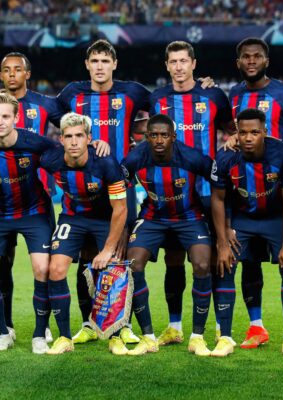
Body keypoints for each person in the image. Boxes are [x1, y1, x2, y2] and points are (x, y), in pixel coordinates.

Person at [57, 39, 149, 345]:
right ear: (87, 65)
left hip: (122, 189)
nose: (99, 66)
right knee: (86, 258)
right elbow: (53, 118)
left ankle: (123, 325)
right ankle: (88, 323)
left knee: (122, 258)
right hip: (85, 191)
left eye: (105, 61)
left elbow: (165, 105)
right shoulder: (72, 94)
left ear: (114, 64)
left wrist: (137, 132)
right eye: (94, 61)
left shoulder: (132, 92)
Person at [227, 37, 283, 351]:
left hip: (282, 194)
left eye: (257, 56)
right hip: (246, 196)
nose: (251, 61)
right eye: (245, 57)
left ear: (267, 60)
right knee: (249, 262)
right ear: (238, 62)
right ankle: (257, 327)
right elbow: (231, 131)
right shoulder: (234, 94)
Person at [0, 52, 62, 342]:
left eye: (17, 69)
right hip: (1, 201)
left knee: (44, 266)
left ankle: (44, 325)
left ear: (27, 74)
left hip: (38, 197)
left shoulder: (46, 104)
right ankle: (5, 325)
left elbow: (69, 130)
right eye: (6, 70)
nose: (12, 74)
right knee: (1, 266)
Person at [149, 40, 235, 345]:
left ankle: (221, 326)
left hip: (208, 192)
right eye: (173, 62)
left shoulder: (213, 95)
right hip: (171, 193)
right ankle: (175, 326)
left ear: (194, 64)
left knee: (213, 259)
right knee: (173, 259)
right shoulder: (156, 98)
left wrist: (233, 139)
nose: (179, 67)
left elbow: (233, 128)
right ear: (167, 66)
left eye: (183, 61)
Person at [122, 114, 215, 356]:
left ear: (174, 137)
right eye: (153, 135)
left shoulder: (192, 157)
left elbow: (220, 184)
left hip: (189, 216)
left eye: (164, 135)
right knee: (133, 263)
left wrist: (223, 228)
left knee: (202, 264)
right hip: (153, 217)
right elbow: (118, 190)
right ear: (146, 137)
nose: (159, 140)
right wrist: (121, 233)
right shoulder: (135, 158)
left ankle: (197, 337)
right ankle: (149, 337)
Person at [211, 108, 283, 357]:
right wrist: (222, 241)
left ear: (265, 132)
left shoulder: (281, 154)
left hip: (275, 219)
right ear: (236, 133)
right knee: (225, 266)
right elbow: (218, 199)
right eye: (243, 133)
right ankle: (225, 338)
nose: (248, 138)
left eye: (254, 132)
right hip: (243, 220)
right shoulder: (226, 156)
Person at [40, 112, 128, 355]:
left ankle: (115, 336)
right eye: (68, 136)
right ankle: (64, 338)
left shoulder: (106, 163)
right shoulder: (50, 159)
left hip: (104, 219)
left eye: (79, 136)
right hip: (72, 217)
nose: (74, 141)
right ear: (61, 139)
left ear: (89, 139)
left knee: (112, 270)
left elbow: (121, 208)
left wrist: (108, 249)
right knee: (56, 270)